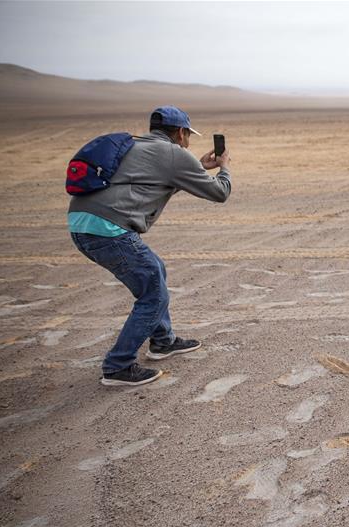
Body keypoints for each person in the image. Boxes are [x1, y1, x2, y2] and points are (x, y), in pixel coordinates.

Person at [67, 106, 232, 386]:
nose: (188, 141)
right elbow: (220, 192)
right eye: (188, 136)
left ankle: (163, 341)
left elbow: (153, 181)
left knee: (155, 270)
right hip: (109, 229)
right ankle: (118, 366)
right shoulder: (174, 154)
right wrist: (225, 166)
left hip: (81, 224)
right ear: (181, 133)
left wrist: (198, 167)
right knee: (153, 294)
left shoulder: (133, 144)